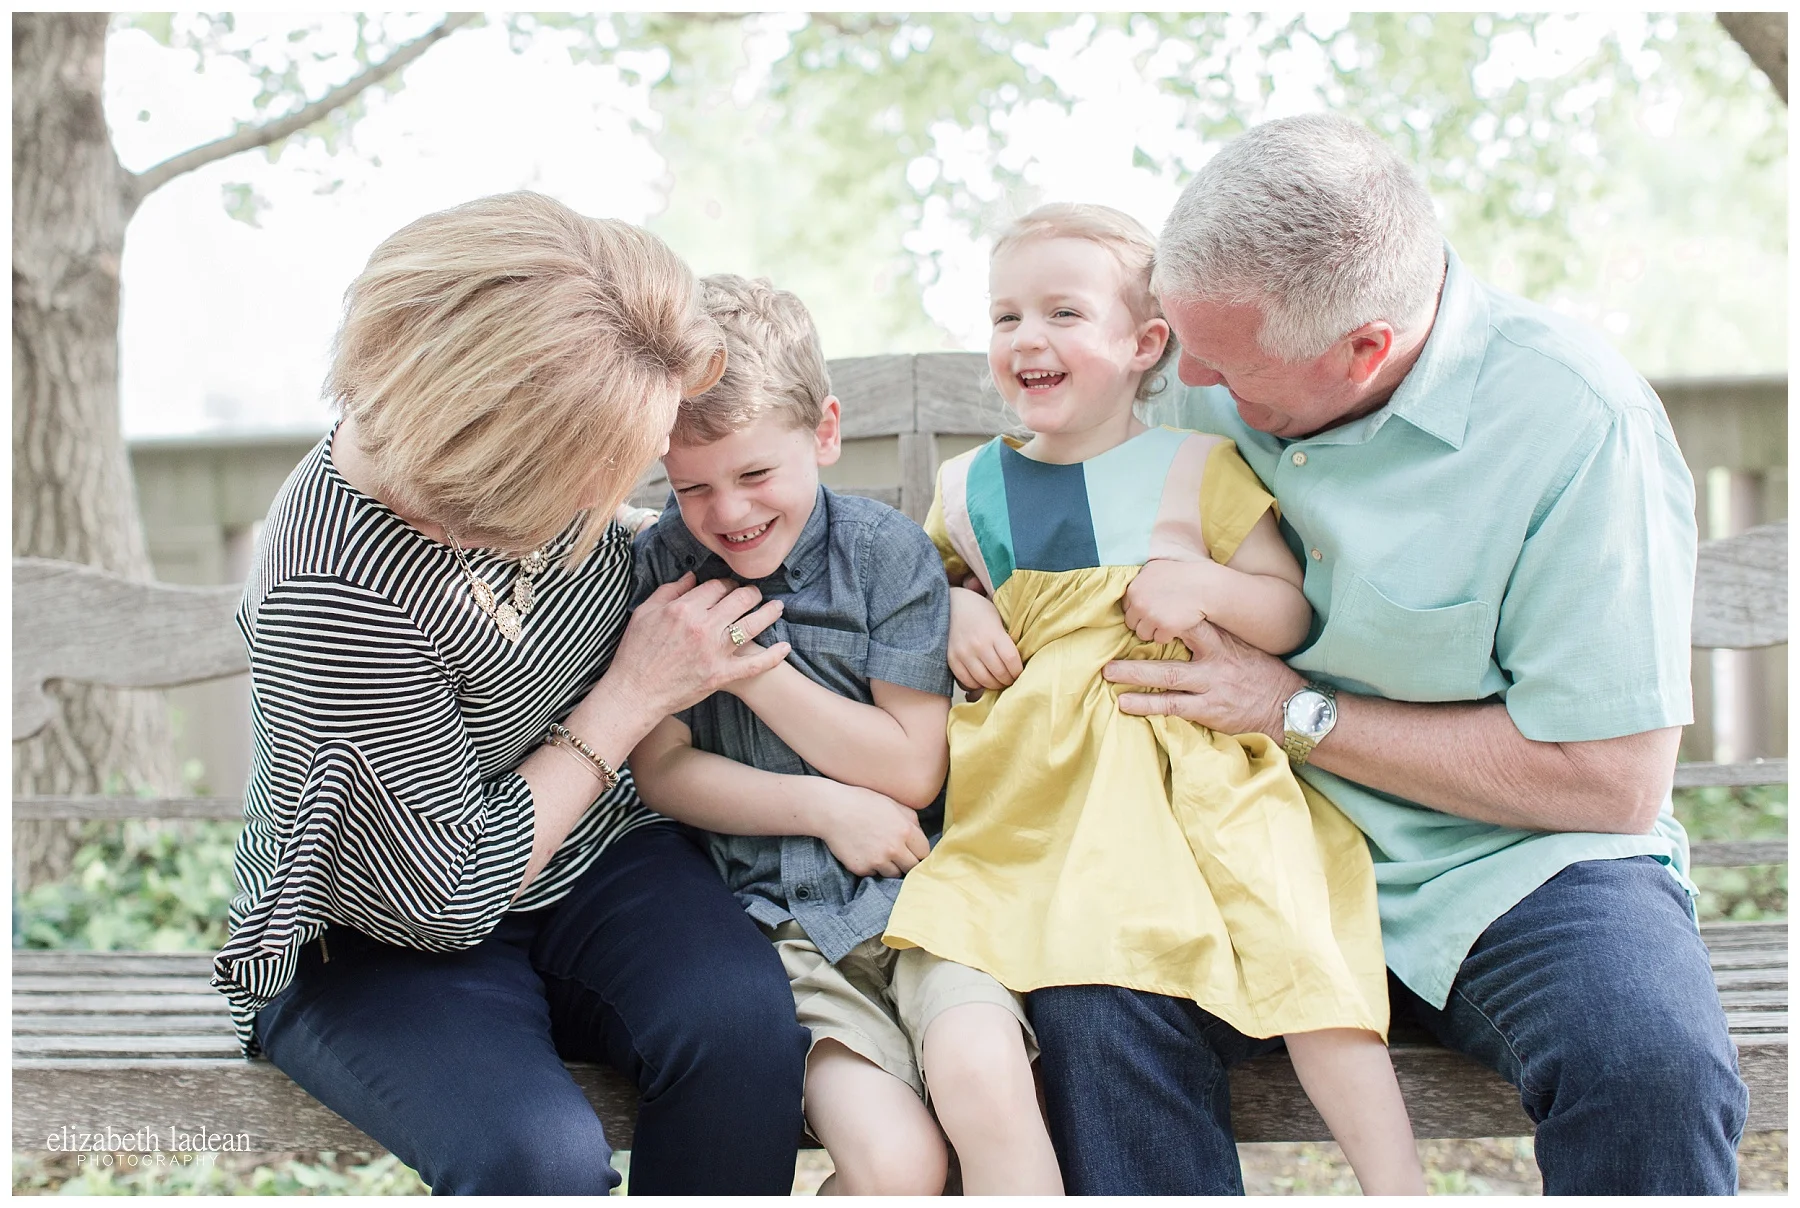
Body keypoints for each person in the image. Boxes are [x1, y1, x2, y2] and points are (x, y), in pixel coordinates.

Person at [1049, 112, 1749, 1194]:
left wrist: (1291, 706)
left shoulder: (1575, 422)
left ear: (1365, 347)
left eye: (1230, 368)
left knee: (1648, 1061)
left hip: (1508, 857)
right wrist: (951, 595)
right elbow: (1024, 514)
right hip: (1233, 836)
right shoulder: (1194, 373)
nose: (1187, 380)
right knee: (1090, 1006)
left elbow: (1612, 781)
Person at [211, 193, 812, 1195]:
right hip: (381, 929)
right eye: (597, 478)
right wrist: (629, 697)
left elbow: (771, 550)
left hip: (598, 857)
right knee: (535, 1155)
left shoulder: (535, 461)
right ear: (490, 459)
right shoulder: (336, 591)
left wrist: (943, 590)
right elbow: (444, 900)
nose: (611, 501)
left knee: (745, 1031)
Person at [880, 204, 1425, 1194]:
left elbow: (1289, 611)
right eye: (1005, 317)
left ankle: (1397, 1182)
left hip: (1186, 776)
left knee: (1302, 954)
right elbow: (919, 591)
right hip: (1035, 795)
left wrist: (1211, 588)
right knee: (1056, 960)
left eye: (1062, 313)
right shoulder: (970, 486)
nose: (1026, 339)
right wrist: (951, 614)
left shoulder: (1195, 467)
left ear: (1143, 344)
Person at [629, 274, 1062, 1195]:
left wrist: (752, 662)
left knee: (987, 1084)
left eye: (755, 474)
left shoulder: (884, 554)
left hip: (927, 903)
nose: (729, 512)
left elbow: (911, 768)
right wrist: (822, 806)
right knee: (898, 1162)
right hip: (777, 932)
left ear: (824, 432)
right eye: (692, 485)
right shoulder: (659, 564)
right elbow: (662, 767)